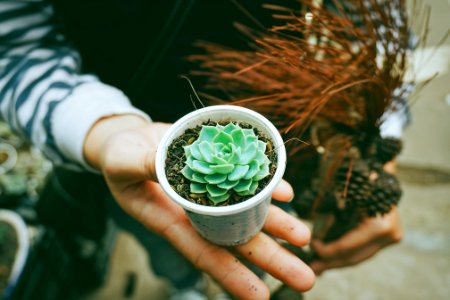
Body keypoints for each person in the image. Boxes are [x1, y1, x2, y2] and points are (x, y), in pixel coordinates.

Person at [0, 0, 403, 299]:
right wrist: (102, 128)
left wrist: (374, 151)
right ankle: (187, 285)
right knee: (170, 247)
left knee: (273, 239)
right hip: (126, 138)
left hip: (298, 125)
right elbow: (14, 49)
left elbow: (372, 29)